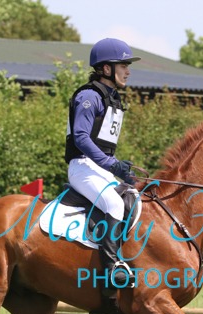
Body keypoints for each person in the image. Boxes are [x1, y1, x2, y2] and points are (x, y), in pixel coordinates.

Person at [64, 38, 140, 295]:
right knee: (115, 204)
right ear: (106, 68)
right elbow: (80, 137)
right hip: (82, 167)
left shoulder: (112, 99)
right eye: (124, 66)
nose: (128, 72)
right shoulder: (89, 96)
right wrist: (111, 164)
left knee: (135, 195)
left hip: (98, 168)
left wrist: (119, 168)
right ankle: (111, 269)